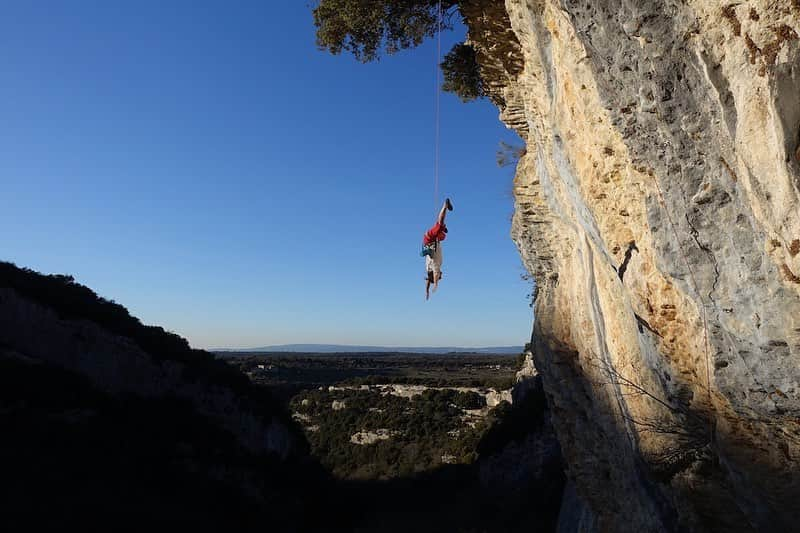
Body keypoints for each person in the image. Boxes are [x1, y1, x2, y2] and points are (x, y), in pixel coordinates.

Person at [421, 198, 453, 300]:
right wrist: (426, 291)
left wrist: (435, 285)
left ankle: (445, 206)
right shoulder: (428, 268)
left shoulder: (435, 267)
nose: (441, 275)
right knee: (443, 236)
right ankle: (442, 228)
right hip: (431, 239)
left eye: (440, 277)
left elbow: (433, 276)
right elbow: (428, 280)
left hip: (430, 239)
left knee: (439, 224)